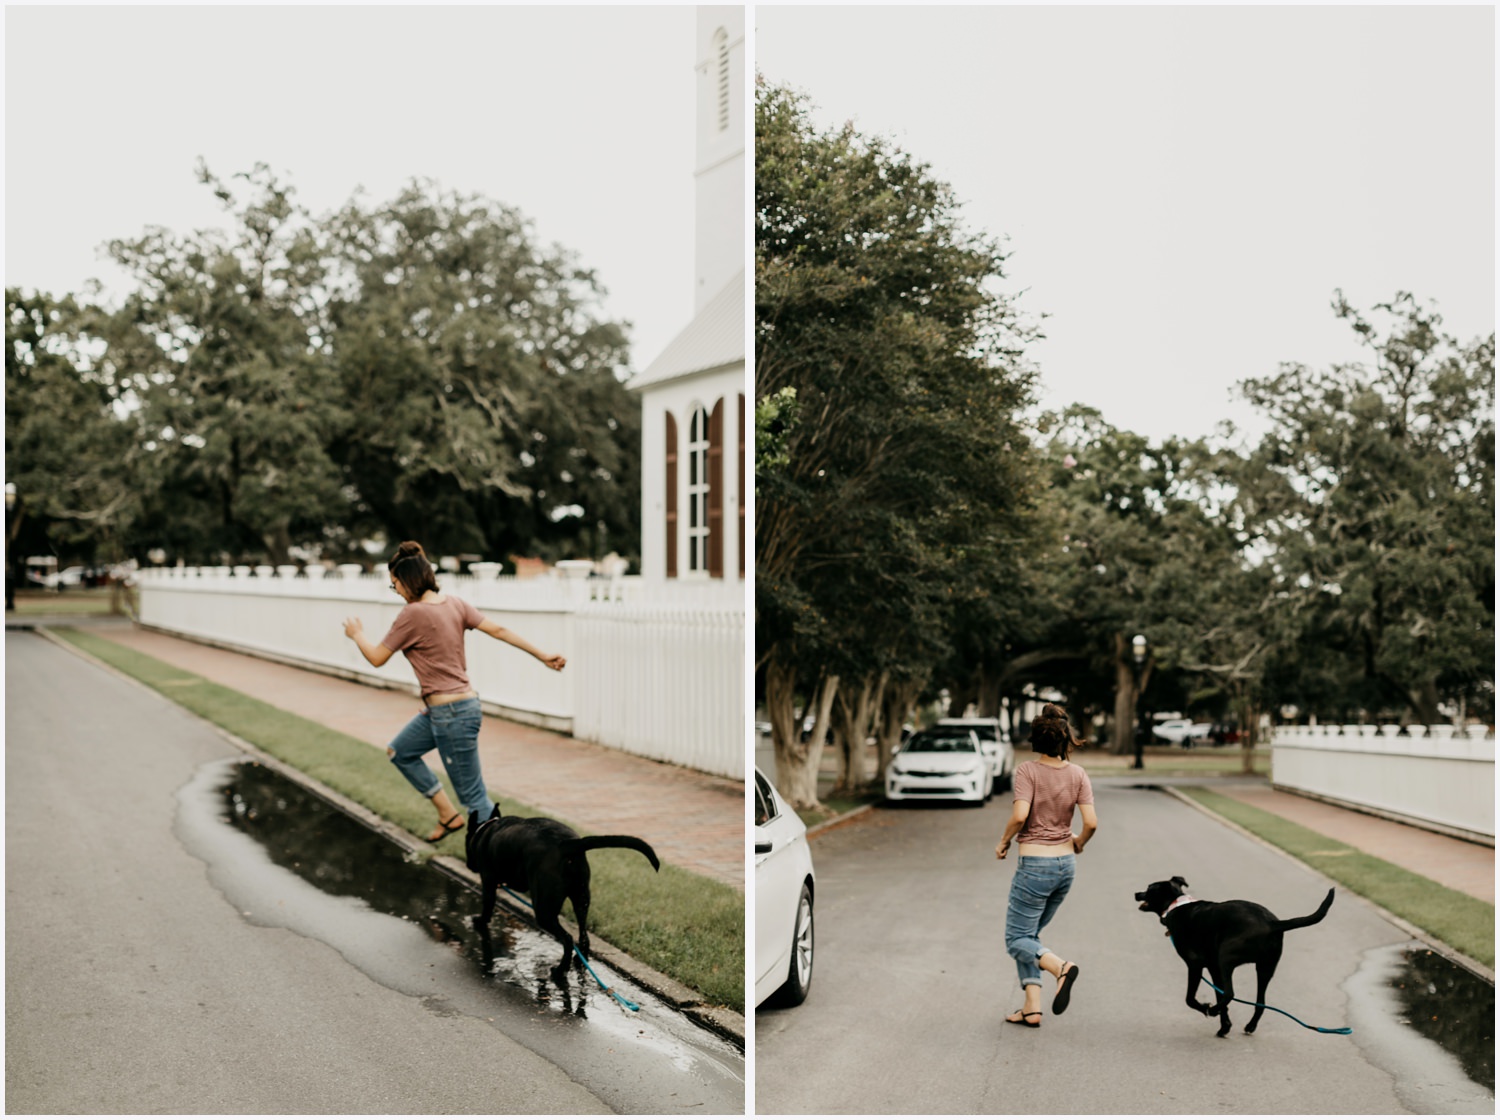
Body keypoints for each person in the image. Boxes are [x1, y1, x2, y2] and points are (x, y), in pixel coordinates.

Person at [342, 541, 567, 842]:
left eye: (395, 585)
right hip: (448, 710)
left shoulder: (412, 614)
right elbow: (499, 630)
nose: (395, 591)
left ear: (408, 581)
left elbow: (377, 657)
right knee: (401, 752)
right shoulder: (456, 604)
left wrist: (357, 635)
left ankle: (497, 861)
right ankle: (448, 816)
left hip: (452, 715)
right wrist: (542, 655)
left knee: (475, 799)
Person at [995, 702, 1098, 1028]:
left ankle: (1060, 968)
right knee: (1031, 935)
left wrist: (1004, 841)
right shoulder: (1078, 774)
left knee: (1016, 940)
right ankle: (1032, 1007)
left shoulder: (1028, 771)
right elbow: (1092, 823)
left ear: (1036, 740)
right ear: (1065, 740)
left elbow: (1020, 815)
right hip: (1066, 866)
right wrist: (1078, 842)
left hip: (1035, 865)